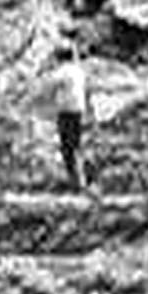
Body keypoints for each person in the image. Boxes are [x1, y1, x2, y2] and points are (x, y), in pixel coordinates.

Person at [53, 36, 90, 191]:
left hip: (66, 112)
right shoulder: (79, 71)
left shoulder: (62, 71)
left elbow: (50, 86)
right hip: (79, 111)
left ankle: (75, 182)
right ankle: (80, 180)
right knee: (77, 145)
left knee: (67, 147)